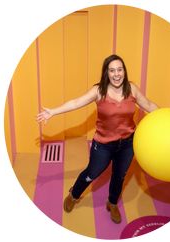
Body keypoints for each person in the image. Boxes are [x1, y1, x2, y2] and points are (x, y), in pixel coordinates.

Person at [36, 54, 158, 224]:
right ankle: (74, 194)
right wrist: (53, 111)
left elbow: (150, 105)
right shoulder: (99, 91)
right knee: (91, 173)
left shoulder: (132, 89)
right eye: (112, 70)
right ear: (106, 73)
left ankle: (112, 203)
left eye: (120, 69)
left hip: (128, 144)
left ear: (124, 71)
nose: (117, 74)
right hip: (103, 145)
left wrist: (167, 116)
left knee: (119, 176)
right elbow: (75, 102)